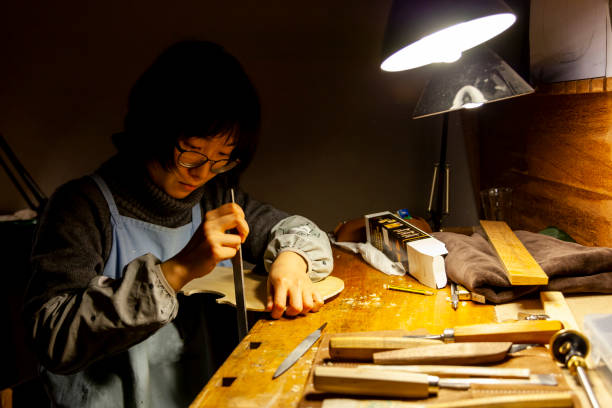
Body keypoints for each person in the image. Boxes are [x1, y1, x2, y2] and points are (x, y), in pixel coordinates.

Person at [23, 40, 333, 407]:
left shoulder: (215, 196)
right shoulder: (82, 207)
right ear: (152, 128)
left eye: (222, 158)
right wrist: (177, 270)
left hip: (202, 396)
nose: (202, 173)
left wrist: (291, 261)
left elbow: (295, 229)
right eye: (191, 150)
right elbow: (53, 337)